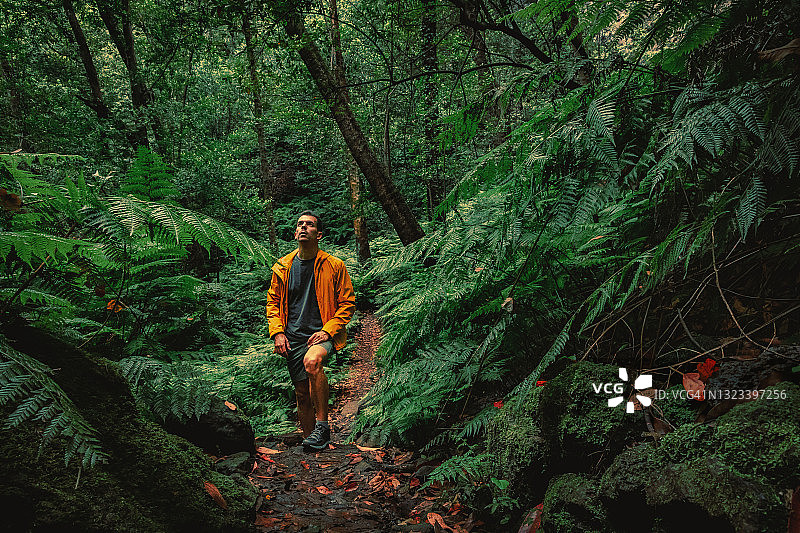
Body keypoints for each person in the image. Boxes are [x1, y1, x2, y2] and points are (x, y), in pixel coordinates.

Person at [266, 211, 355, 451]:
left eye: (310, 225)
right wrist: (277, 333)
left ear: (319, 234)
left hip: (320, 334)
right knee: (302, 394)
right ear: (296, 233)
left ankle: (323, 426)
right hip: (292, 336)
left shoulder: (334, 266)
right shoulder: (282, 267)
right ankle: (311, 442)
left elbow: (347, 304)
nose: (304, 227)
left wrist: (328, 331)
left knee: (312, 362)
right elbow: (273, 303)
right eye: (300, 224)